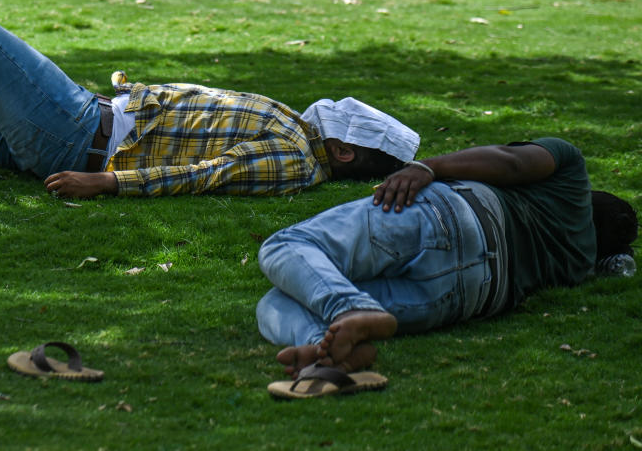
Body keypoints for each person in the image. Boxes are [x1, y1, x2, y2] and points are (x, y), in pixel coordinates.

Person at [0, 12, 420, 197]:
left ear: (346, 150)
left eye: (334, 124)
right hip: (93, 119)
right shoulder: (296, 129)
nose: (320, 115)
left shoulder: (296, 161)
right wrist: (138, 93)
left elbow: (201, 173)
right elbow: (200, 118)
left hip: (80, 137)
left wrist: (107, 183)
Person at [256, 138, 638, 379]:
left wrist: (428, 166)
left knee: (286, 246)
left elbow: (512, 163)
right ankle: (330, 353)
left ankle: (349, 310)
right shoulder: (578, 265)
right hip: (471, 295)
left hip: (456, 217)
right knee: (280, 297)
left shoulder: (570, 168)